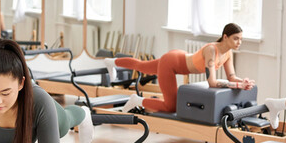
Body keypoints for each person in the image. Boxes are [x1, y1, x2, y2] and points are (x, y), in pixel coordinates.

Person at [103, 23, 256, 113]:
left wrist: (243, 81)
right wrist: (237, 85)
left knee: (142, 66)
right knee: (171, 106)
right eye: (236, 39)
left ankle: (112, 62)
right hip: (171, 64)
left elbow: (231, 77)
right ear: (225, 37)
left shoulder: (227, 53)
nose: (239, 43)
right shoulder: (212, 50)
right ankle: (137, 100)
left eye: (241, 39)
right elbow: (212, 83)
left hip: (179, 58)